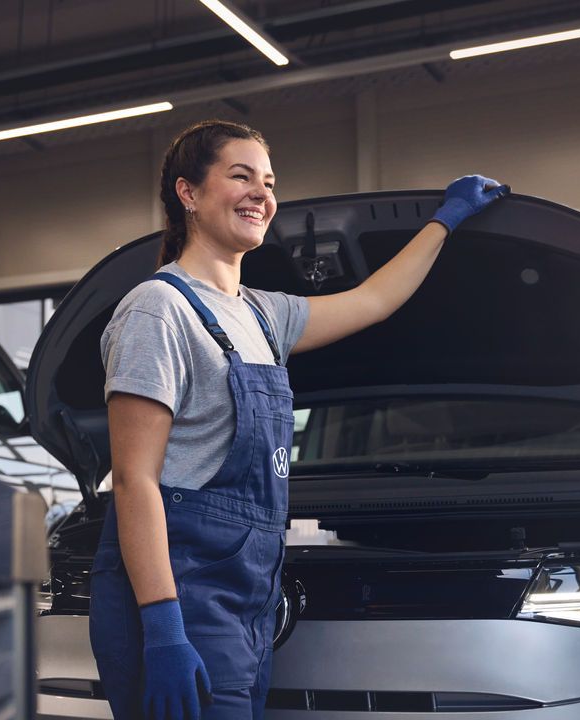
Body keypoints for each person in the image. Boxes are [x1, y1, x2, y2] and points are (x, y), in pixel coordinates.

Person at [90, 119, 507, 720]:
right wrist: (163, 630)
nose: (261, 194)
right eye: (241, 177)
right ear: (189, 193)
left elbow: (375, 300)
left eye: (269, 181)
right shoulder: (158, 310)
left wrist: (446, 219)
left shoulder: (263, 315)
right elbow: (135, 482)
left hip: (249, 591)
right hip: (182, 593)